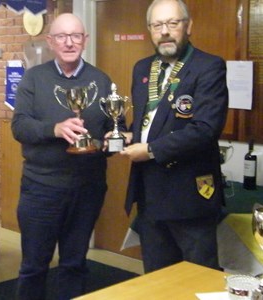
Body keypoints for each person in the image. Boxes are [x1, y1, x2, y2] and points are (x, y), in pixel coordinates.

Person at [11, 13, 124, 300]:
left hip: (87, 189)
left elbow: (117, 129)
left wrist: (112, 141)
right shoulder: (34, 78)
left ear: (85, 41)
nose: (69, 42)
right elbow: (19, 126)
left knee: (74, 264)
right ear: (50, 42)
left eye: (76, 36)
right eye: (61, 36)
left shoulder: (101, 80)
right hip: (41, 190)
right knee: (34, 266)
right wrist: (55, 129)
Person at [120, 0, 228, 273]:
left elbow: (204, 130)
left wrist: (151, 150)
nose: (165, 31)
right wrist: (125, 135)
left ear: (188, 26)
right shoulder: (142, 68)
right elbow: (148, 122)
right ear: (149, 30)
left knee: (198, 279)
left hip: (188, 196)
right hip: (149, 194)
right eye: (157, 25)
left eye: (172, 23)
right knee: (156, 278)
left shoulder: (209, 67)